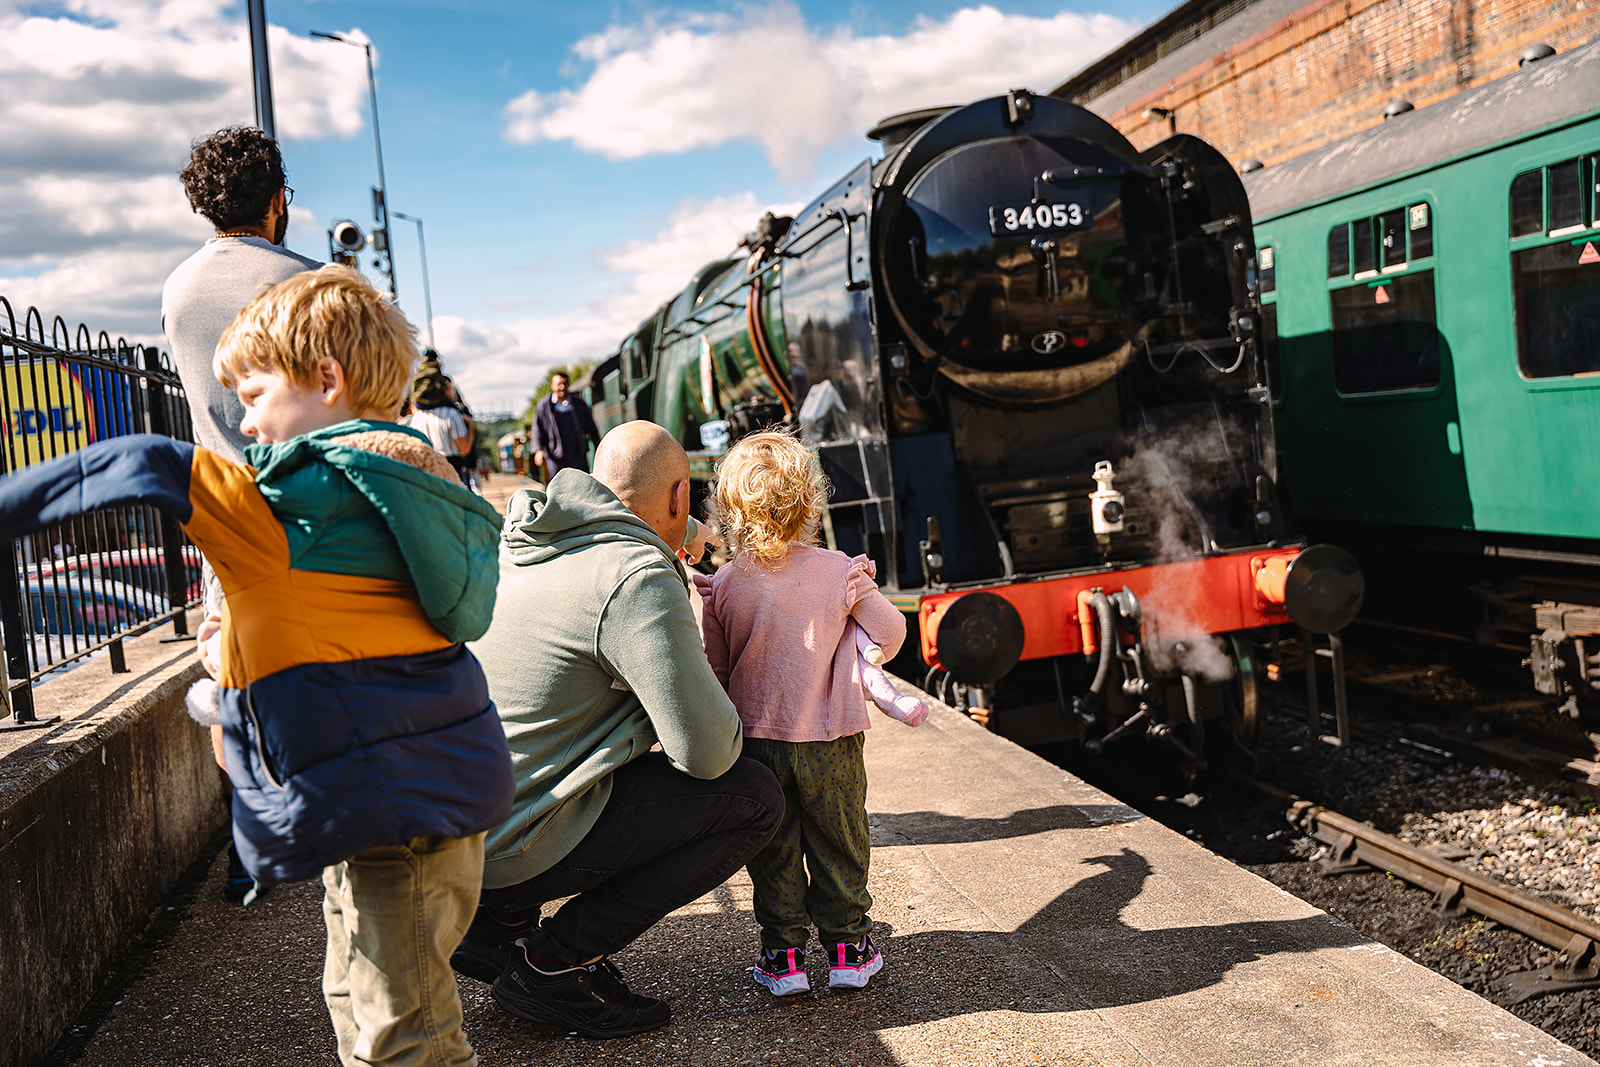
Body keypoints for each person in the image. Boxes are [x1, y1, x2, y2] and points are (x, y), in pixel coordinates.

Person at [0, 266, 515, 1067]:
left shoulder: (283, 503)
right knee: (366, 992)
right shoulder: (413, 487)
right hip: (430, 785)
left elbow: (149, 462)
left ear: (327, 380)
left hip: (384, 798)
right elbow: (360, 623)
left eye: (251, 393)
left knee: (403, 1028)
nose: (242, 421)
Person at [454, 420, 782, 1039]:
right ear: (680, 496)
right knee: (753, 798)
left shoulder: (522, 543)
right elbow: (707, 753)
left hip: (457, 836)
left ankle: (496, 925)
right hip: (514, 845)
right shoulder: (634, 576)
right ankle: (552, 965)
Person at [161, 124, 322, 902]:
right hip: (305, 505)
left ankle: (247, 848)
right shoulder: (310, 282)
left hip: (221, 514)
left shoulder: (178, 289)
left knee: (233, 675)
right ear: (277, 200)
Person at [698, 430, 906, 996]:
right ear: (811, 502)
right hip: (831, 737)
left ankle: (783, 957)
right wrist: (859, 649)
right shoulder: (838, 570)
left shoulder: (723, 586)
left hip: (757, 744)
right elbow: (891, 632)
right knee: (840, 837)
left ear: (729, 509)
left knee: (775, 847)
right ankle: (847, 948)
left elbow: (716, 673)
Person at [405, 350, 474, 487]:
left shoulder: (416, 418)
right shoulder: (452, 415)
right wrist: (471, 426)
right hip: (452, 471)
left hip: (427, 473)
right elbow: (465, 449)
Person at [530, 371, 600, 479]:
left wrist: (599, 447)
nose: (562, 387)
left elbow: (591, 427)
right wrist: (538, 450)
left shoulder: (579, 404)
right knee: (558, 486)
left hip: (577, 453)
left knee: (582, 482)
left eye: (565, 384)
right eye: (559, 384)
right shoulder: (544, 406)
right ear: (552, 386)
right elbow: (537, 429)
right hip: (555, 455)